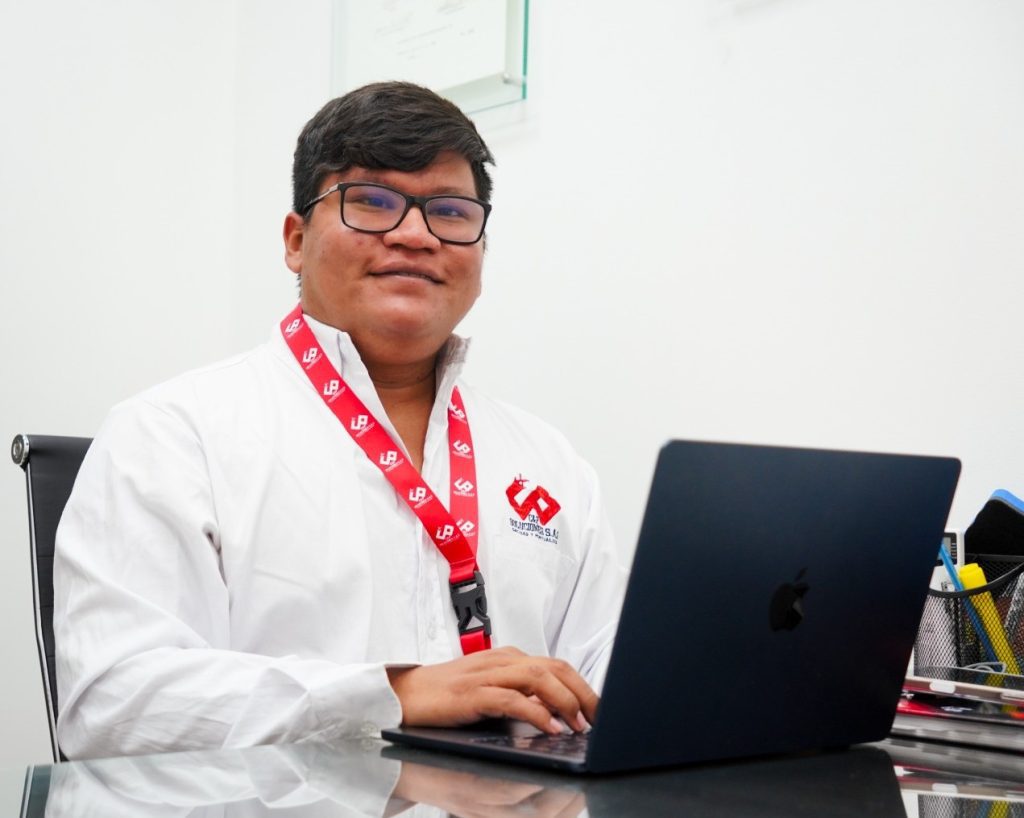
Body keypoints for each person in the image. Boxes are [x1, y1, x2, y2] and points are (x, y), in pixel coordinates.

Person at [54, 81, 626, 759]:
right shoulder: (171, 436)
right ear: (296, 240)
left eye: (450, 212)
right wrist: (391, 695)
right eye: (373, 202)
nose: (415, 235)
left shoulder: (551, 464)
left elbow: (612, 684)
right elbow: (113, 706)